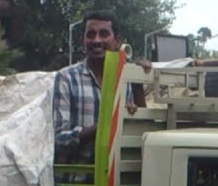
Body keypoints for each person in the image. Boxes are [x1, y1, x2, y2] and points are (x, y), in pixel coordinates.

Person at [53, 11, 150, 164]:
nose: (96, 40)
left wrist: (139, 80)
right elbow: (58, 139)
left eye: (104, 34)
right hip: (77, 182)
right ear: (82, 41)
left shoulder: (127, 79)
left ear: (117, 41)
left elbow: (141, 134)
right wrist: (106, 124)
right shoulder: (66, 78)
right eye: (90, 35)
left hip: (117, 182)